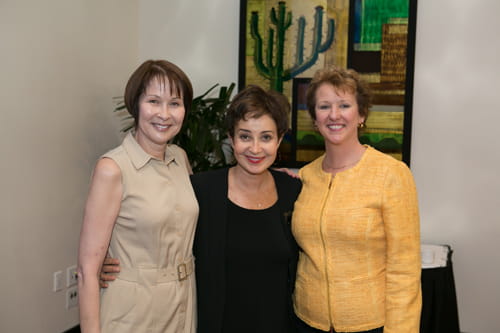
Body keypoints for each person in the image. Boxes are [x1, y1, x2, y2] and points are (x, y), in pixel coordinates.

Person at [100, 85, 302, 333]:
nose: (256, 148)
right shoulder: (201, 190)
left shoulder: (293, 193)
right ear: (231, 138)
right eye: (245, 136)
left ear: (279, 139)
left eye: (266, 137)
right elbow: (160, 231)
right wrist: (105, 263)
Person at [291, 66, 421, 333]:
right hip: (305, 321)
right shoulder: (305, 177)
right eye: (324, 106)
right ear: (314, 119)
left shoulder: (392, 175)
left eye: (344, 105)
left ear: (361, 114)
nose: (334, 115)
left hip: (370, 325)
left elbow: (404, 270)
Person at [77, 59, 199, 333]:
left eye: (175, 103)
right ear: (136, 105)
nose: (164, 114)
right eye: (154, 101)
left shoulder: (180, 158)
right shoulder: (112, 168)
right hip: (133, 309)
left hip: (182, 303)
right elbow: (87, 271)